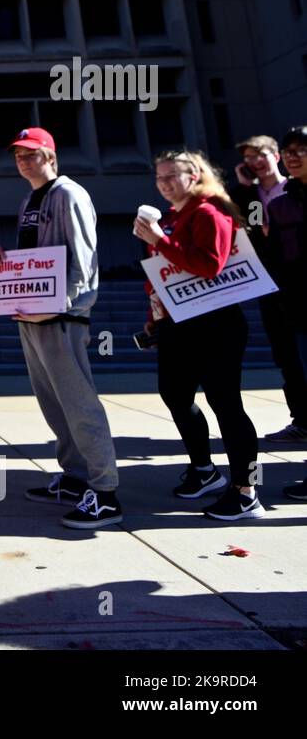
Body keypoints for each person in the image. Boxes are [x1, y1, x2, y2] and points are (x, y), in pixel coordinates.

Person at [0, 128, 122, 529]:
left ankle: (106, 491)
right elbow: (39, 259)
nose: (24, 161)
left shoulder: (68, 194)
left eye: (32, 154)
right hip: (32, 316)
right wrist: (4, 261)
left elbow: (83, 256)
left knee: (79, 403)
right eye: (19, 155)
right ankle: (77, 478)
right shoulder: (31, 198)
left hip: (62, 316)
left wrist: (70, 305)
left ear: (51, 155)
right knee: (54, 404)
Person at [134, 150, 263, 521]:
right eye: (159, 178)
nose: (165, 184)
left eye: (172, 176)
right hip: (179, 322)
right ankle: (204, 470)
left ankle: (246, 490)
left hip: (216, 323)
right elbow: (165, 271)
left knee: (226, 403)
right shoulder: (173, 216)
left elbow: (209, 265)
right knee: (174, 393)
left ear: (194, 175)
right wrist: (154, 314)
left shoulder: (210, 211)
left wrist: (160, 239)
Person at [229, 135, 307, 444]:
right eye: (248, 158)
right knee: (287, 355)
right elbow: (241, 226)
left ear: (275, 155)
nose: (254, 162)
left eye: (260, 154)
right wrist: (244, 187)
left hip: (296, 278)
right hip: (272, 283)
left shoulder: (293, 188)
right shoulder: (251, 194)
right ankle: (301, 418)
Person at [265, 127, 307, 499]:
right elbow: (276, 258)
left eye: (302, 150)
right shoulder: (279, 204)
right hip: (299, 309)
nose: (293, 156)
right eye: (288, 151)